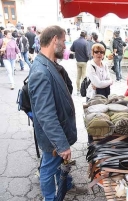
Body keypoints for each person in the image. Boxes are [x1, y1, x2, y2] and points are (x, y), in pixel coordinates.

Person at [28, 25, 85, 201]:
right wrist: (61, 144)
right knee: (48, 167)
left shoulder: (50, 64)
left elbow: (64, 89)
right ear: (55, 40)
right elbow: (45, 114)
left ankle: (67, 185)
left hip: (59, 130)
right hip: (53, 136)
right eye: (64, 41)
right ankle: (50, 198)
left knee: (59, 163)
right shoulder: (40, 71)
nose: (66, 46)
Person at [70, 30, 89, 94]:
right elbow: (87, 53)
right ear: (85, 35)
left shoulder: (75, 41)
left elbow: (71, 49)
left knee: (78, 76)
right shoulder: (85, 42)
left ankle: (78, 89)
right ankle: (83, 89)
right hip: (84, 62)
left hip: (78, 61)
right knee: (83, 76)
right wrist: (88, 58)